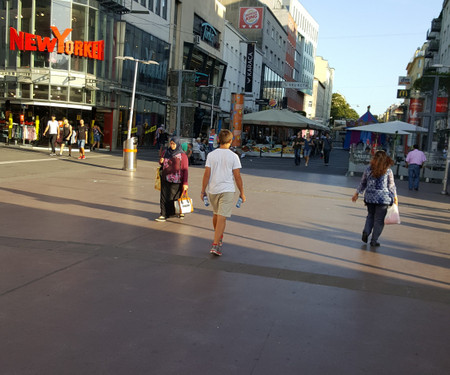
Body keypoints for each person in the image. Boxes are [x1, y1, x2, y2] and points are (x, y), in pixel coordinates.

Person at [201, 129, 245, 256]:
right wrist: (242, 192)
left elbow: (206, 174)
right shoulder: (234, 156)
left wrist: (202, 190)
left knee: (218, 216)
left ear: (218, 140)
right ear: (231, 141)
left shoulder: (211, 155)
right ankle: (216, 244)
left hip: (213, 189)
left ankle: (217, 239)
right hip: (227, 190)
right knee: (220, 217)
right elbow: (237, 176)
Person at [352, 150, 398, 247]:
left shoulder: (368, 169)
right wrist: (395, 197)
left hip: (370, 197)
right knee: (379, 220)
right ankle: (374, 240)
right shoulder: (388, 170)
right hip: (383, 199)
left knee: (370, 216)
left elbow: (363, 183)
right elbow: (391, 186)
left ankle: (366, 231)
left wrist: (357, 193)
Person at [156, 137, 189, 222]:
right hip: (165, 178)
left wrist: (185, 183)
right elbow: (161, 163)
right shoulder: (165, 152)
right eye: (171, 143)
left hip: (177, 180)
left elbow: (185, 170)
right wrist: (161, 161)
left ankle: (178, 211)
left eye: (174, 144)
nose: (172, 145)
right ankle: (163, 214)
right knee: (163, 197)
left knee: (174, 197)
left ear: (177, 144)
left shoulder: (183, 156)